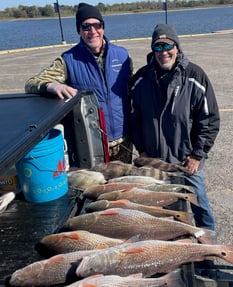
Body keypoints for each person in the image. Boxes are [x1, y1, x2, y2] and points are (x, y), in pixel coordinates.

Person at [130, 24, 220, 230]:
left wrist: (198, 155)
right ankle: (170, 249)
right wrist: (142, 151)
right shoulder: (141, 79)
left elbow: (210, 119)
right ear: (153, 50)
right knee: (157, 209)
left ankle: (208, 249)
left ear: (177, 47)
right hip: (154, 161)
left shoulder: (195, 76)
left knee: (200, 206)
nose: (164, 53)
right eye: (158, 47)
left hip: (186, 160)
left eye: (168, 46)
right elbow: (134, 120)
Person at [25, 3, 133, 163]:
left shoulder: (122, 55)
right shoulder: (68, 60)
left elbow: (132, 92)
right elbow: (31, 83)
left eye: (97, 25)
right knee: (97, 186)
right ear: (79, 30)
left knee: (125, 184)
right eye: (86, 26)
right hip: (93, 145)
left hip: (124, 141)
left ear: (103, 27)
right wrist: (53, 85)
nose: (93, 31)